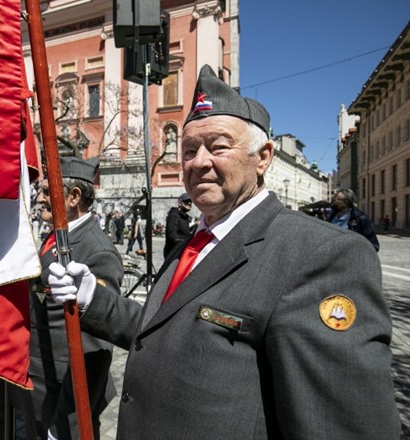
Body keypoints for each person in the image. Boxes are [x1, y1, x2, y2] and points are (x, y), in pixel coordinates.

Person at [47, 65, 401, 439]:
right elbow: (165, 331)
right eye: (188, 150)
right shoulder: (193, 243)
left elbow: (339, 426)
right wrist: (93, 299)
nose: (199, 162)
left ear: (263, 157)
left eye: (218, 146)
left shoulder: (321, 255)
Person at [0, 156, 123, 440]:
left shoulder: (96, 251)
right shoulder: (58, 237)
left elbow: (96, 348)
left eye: (48, 192)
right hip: (40, 382)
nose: (39, 198)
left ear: (73, 197)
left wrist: (68, 423)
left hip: (64, 394)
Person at [163, 192, 194, 258]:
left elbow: (185, 232)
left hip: (183, 251)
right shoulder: (173, 215)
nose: (189, 203)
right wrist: (184, 242)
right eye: (186, 201)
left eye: (190, 201)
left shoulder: (186, 217)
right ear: (180, 203)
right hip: (173, 252)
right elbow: (172, 234)